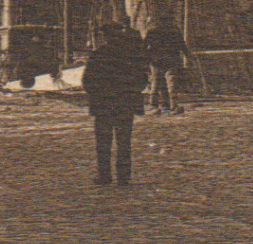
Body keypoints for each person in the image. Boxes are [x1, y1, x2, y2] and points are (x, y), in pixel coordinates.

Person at [81, 21, 150, 186]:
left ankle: (105, 175)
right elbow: (142, 80)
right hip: (125, 103)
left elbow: (87, 82)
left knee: (103, 143)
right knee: (124, 142)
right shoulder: (132, 56)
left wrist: (99, 93)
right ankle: (123, 177)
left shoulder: (98, 55)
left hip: (103, 105)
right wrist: (130, 91)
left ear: (106, 37)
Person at [144, 10, 190, 115]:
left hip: (160, 61)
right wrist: (188, 55)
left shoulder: (153, 31)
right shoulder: (173, 31)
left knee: (159, 84)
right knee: (168, 84)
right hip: (167, 60)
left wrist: (147, 58)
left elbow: (144, 47)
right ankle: (168, 105)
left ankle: (159, 106)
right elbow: (182, 45)